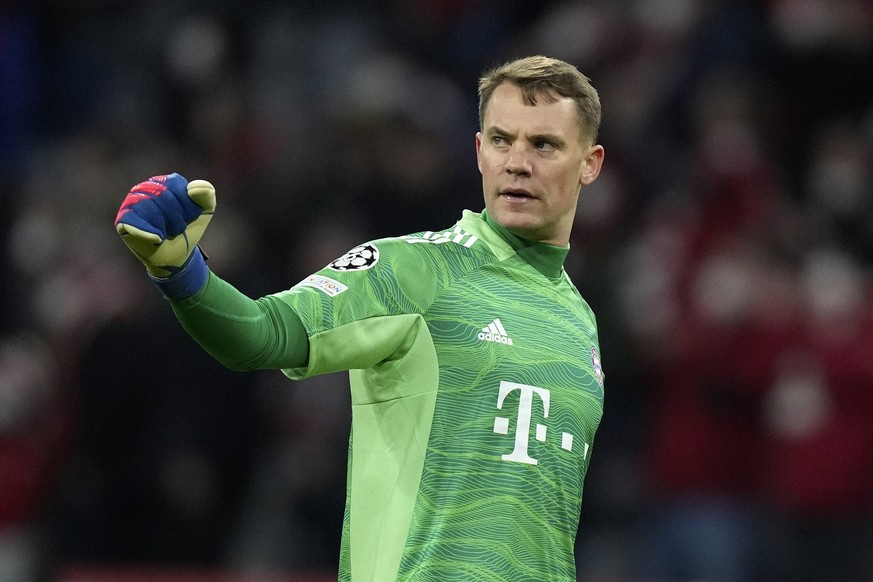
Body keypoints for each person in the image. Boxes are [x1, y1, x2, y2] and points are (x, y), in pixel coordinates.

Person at [114, 55, 606, 581]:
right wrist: (184, 275)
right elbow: (264, 334)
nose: (517, 162)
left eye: (544, 145)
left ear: (590, 163)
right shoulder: (415, 270)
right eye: (502, 140)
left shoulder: (580, 320)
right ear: (480, 152)